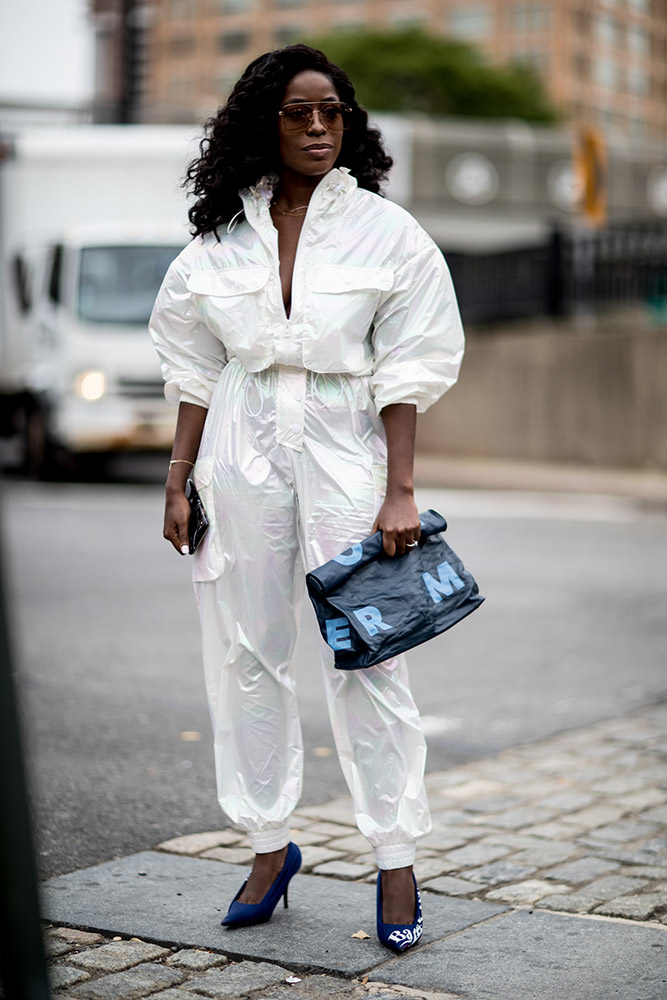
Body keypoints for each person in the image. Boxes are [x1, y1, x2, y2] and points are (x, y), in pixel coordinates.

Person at [149, 43, 464, 952]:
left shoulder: (386, 233)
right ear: (266, 122)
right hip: (238, 447)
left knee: (370, 656)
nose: (319, 127)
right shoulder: (219, 238)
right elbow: (192, 366)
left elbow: (409, 364)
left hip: (344, 449)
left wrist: (400, 490)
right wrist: (178, 480)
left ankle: (396, 856)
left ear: (348, 122)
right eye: (299, 112)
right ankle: (264, 844)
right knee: (246, 654)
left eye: (332, 112)